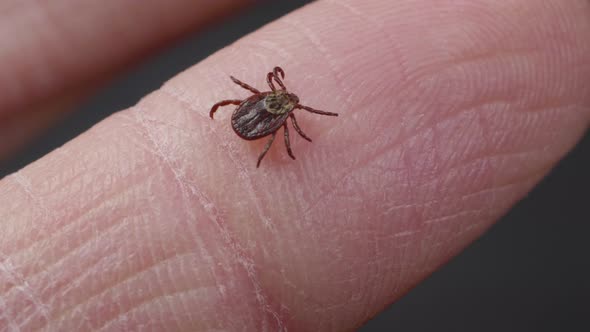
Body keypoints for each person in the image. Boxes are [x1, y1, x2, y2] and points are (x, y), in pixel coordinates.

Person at [0, 0, 588, 330]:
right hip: (244, 126)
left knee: (249, 122)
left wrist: (269, 135)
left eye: (281, 105)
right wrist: (275, 135)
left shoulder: (268, 108)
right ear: (271, 95)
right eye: (280, 100)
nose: (281, 105)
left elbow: (254, 115)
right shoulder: (276, 112)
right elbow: (269, 122)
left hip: (243, 125)